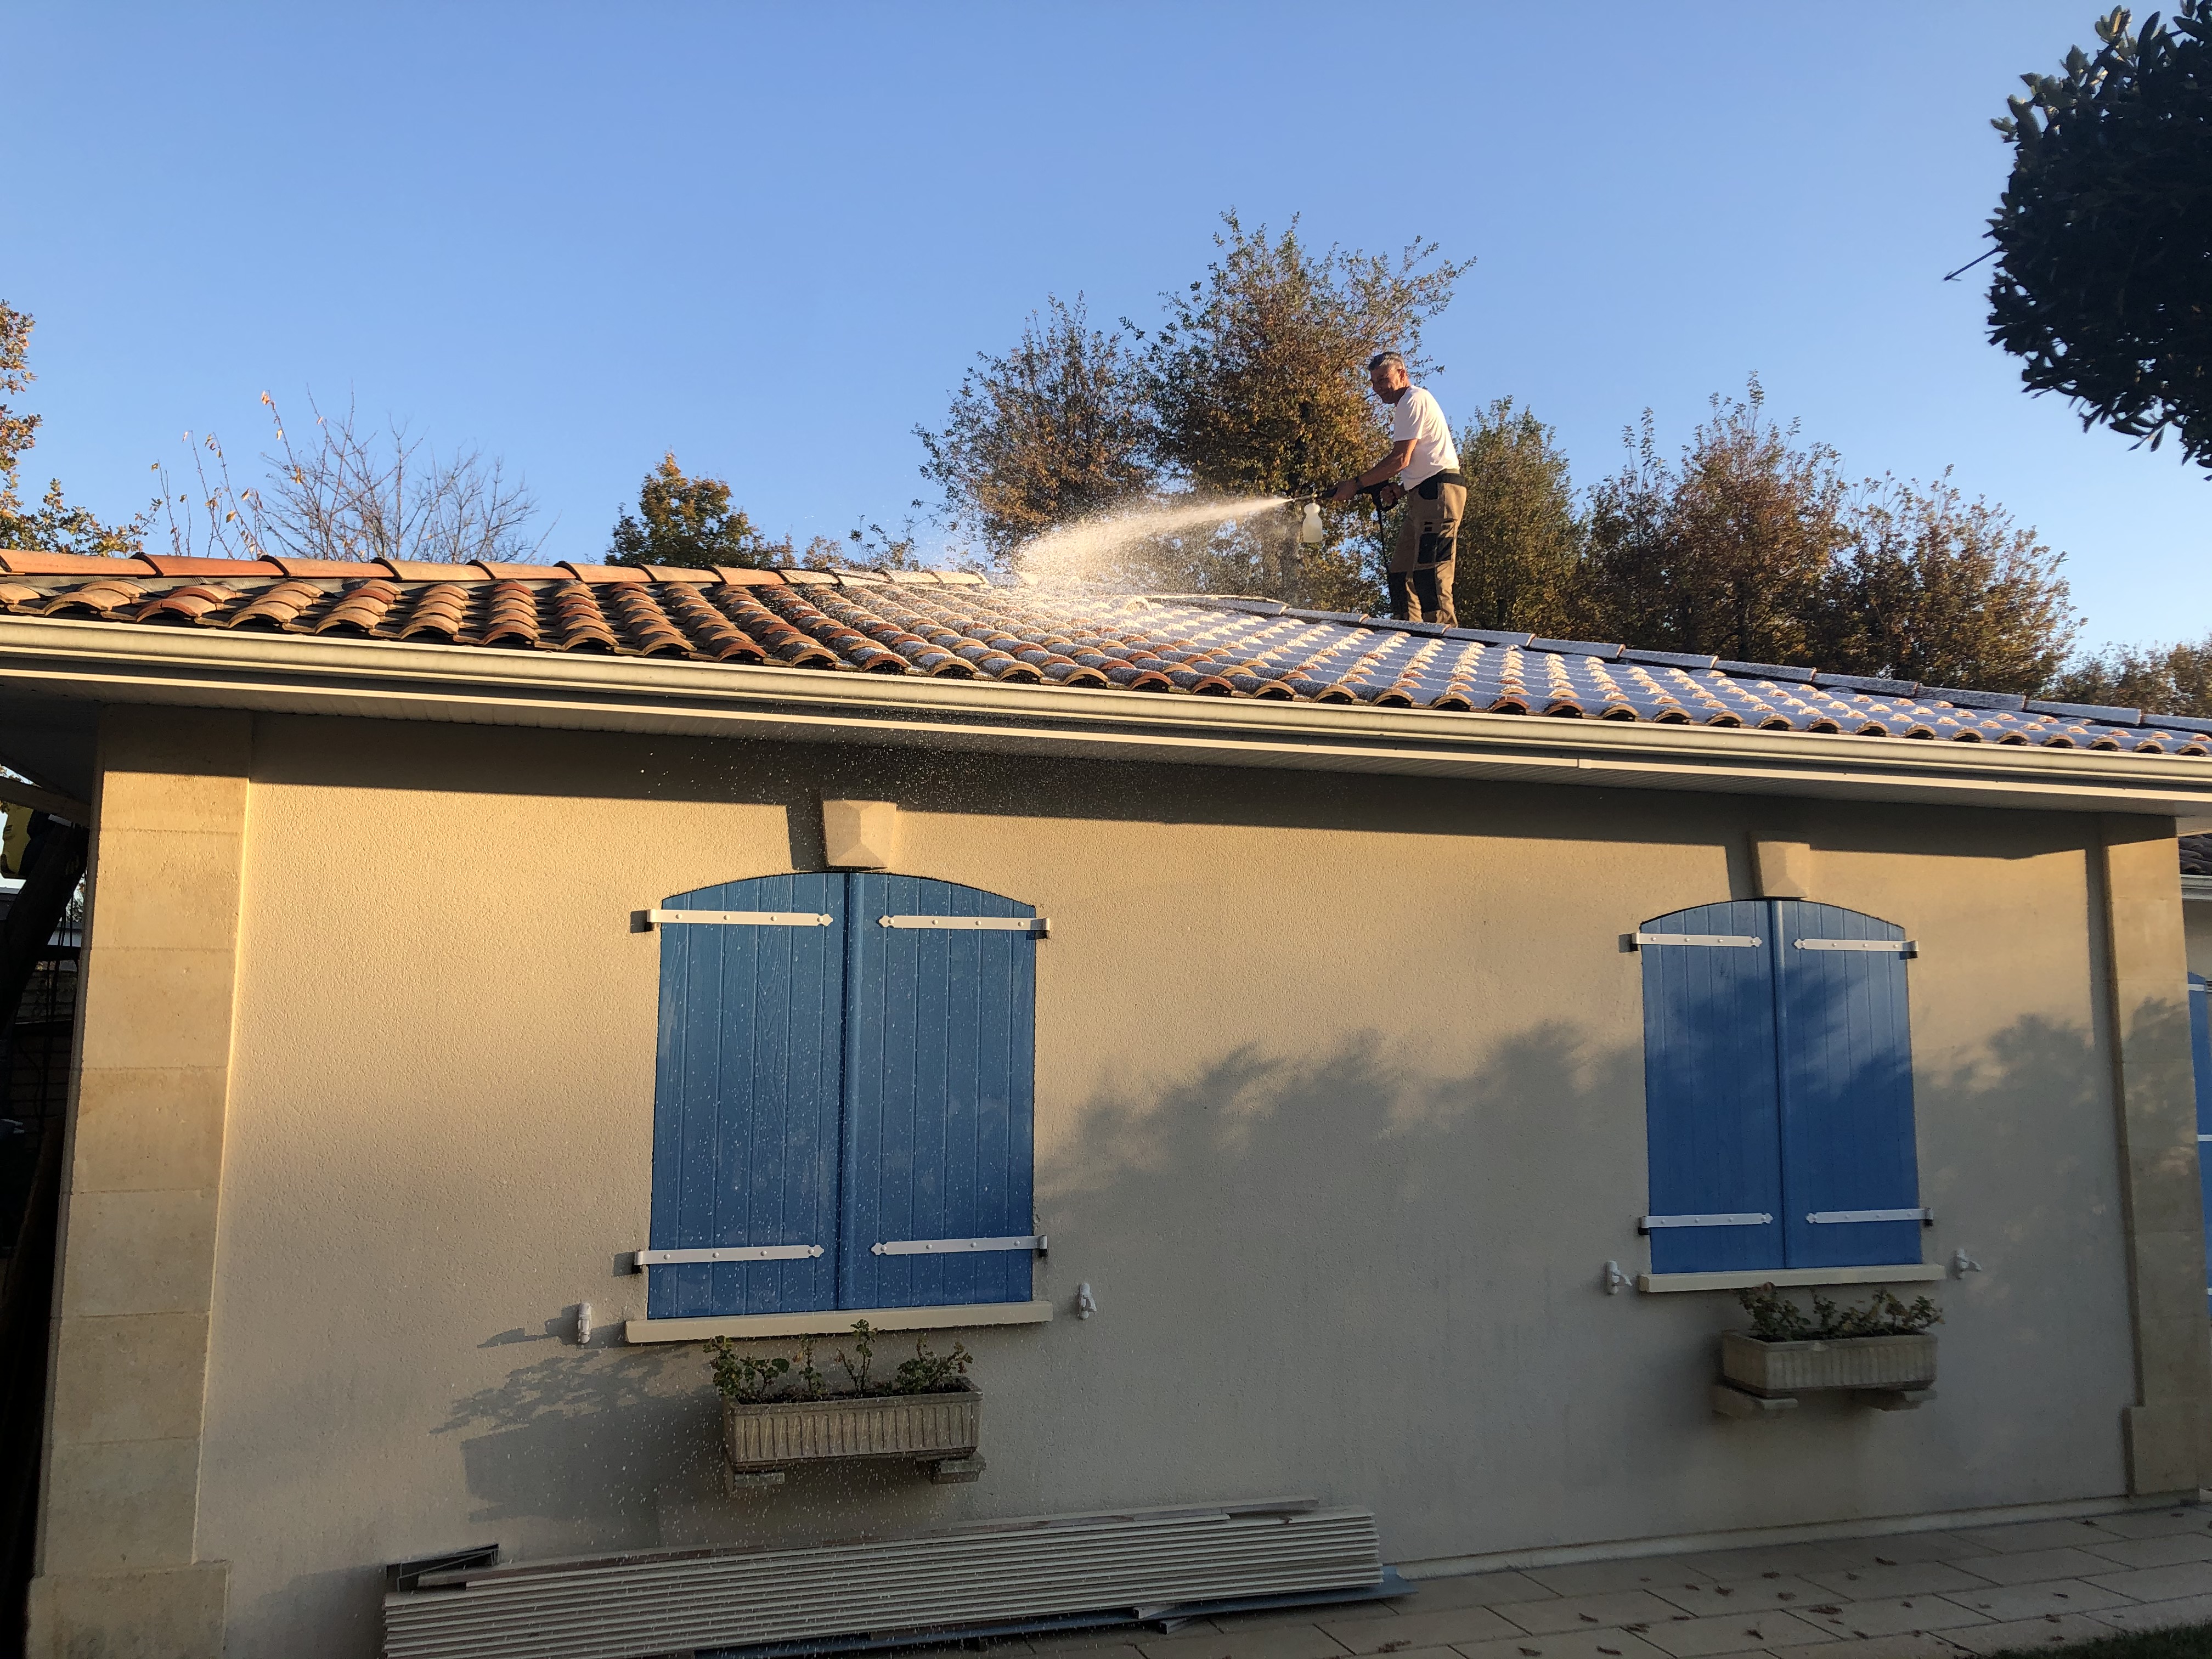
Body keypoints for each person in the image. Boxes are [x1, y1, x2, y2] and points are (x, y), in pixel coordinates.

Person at [1330, 352, 1464, 625]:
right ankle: (1406, 634)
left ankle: (1442, 637)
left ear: (1402, 374)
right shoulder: (1409, 403)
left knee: (1430, 570)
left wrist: (1355, 485)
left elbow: (1401, 459)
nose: (1378, 387)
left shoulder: (1412, 399)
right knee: (1400, 573)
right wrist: (1402, 490)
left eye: (1383, 379)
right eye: (1373, 382)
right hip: (1423, 493)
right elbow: (1424, 458)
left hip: (1438, 494)